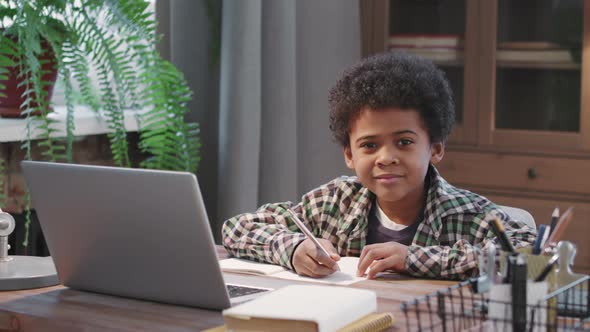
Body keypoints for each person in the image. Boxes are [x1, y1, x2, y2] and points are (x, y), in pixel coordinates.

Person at [221, 51, 536, 280]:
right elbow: (237, 228)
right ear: (349, 155)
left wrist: (413, 258)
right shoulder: (332, 202)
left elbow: (529, 253)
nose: (386, 157)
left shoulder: (466, 213)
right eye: (369, 145)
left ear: (436, 148)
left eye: (404, 142)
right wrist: (293, 246)